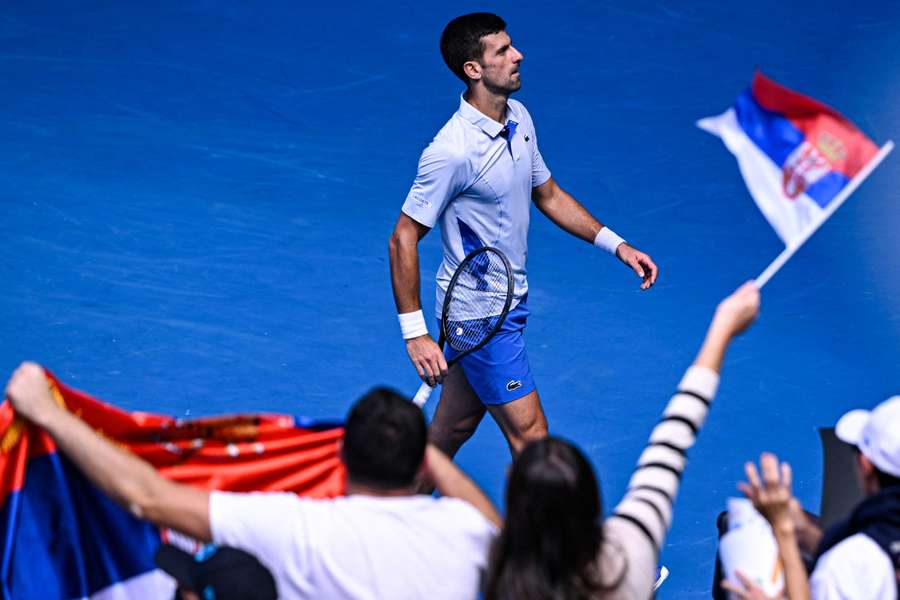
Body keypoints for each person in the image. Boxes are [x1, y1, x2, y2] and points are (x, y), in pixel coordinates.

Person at [388, 12, 659, 458]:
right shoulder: (451, 152)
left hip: (504, 303)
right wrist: (415, 334)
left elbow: (549, 194)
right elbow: (402, 237)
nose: (518, 55)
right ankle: (540, 530)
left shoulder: (519, 118)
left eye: (511, 46)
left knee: (451, 428)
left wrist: (618, 245)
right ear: (473, 70)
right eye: (503, 51)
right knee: (532, 439)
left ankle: (392, 511)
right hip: (480, 316)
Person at [3, 375, 501, 600]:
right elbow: (491, 523)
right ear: (421, 464)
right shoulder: (466, 534)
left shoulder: (298, 528)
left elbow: (146, 496)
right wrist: (423, 451)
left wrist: (47, 413)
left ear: (343, 456)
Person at [483, 281, 760, 599]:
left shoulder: (488, 570)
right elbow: (671, 442)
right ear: (589, 500)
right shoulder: (632, 552)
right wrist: (722, 329)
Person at [727, 396, 900, 600]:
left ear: (865, 465)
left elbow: (856, 567)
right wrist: (804, 530)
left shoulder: (849, 564)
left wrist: (783, 530)